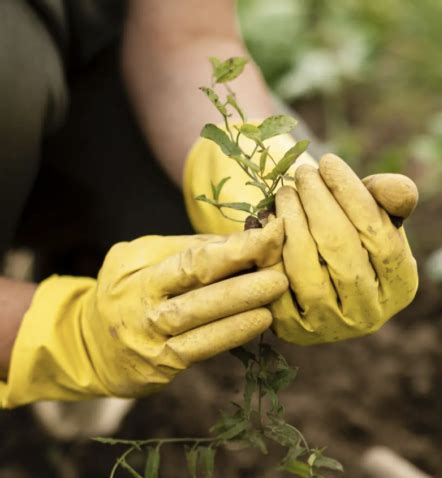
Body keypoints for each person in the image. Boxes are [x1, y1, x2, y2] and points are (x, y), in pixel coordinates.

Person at [0, 1, 418, 427]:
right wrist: (61, 336)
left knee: (194, 210)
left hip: (76, 69)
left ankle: (74, 264)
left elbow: (190, 34)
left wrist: (252, 168)